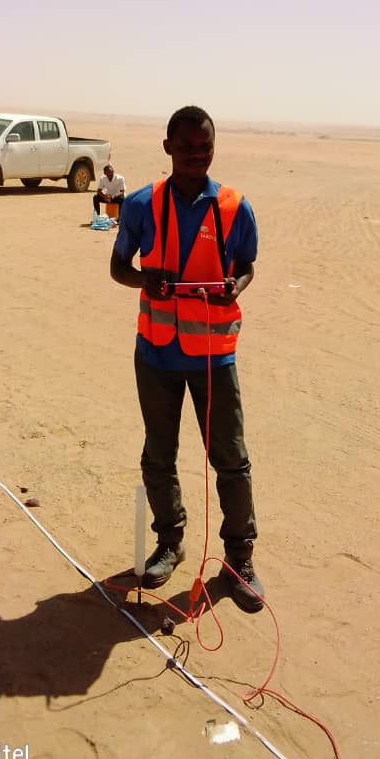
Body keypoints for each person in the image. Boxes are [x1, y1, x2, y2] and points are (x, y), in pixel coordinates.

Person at [109, 106, 264, 613]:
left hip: (214, 360)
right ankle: (170, 543)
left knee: (231, 460)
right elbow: (118, 267)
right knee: (158, 455)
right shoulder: (141, 204)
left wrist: (235, 286)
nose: (197, 156)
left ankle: (239, 560)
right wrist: (144, 280)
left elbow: (247, 266)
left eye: (205, 147)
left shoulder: (234, 208)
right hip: (156, 354)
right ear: (168, 148)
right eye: (187, 147)